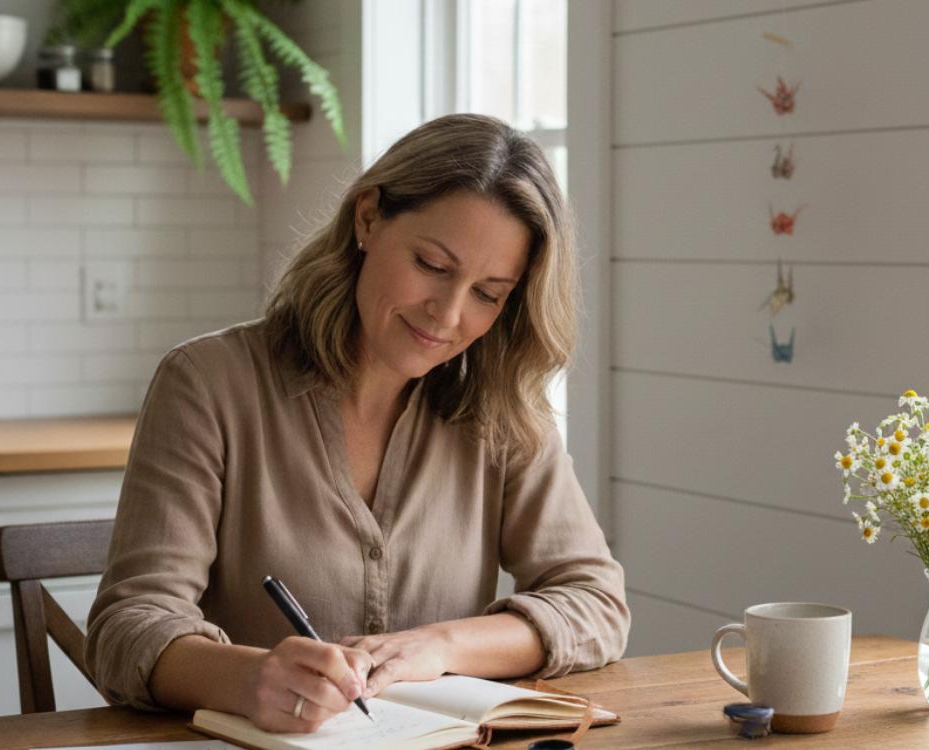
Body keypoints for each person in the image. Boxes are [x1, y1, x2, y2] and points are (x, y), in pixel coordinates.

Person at [84, 114, 630, 733]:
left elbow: (596, 604)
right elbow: (127, 625)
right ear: (367, 218)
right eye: (432, 264)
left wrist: (442, 646)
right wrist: (249, 678)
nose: (447, 315)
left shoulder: (501, 406)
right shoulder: (208, 383)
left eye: (488, 293)